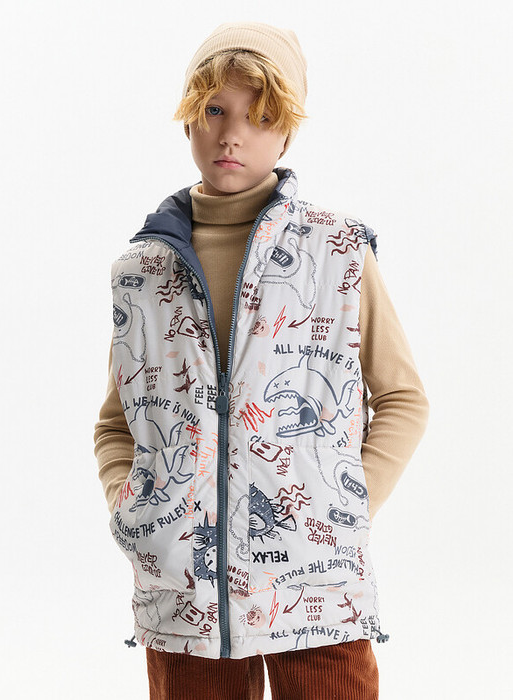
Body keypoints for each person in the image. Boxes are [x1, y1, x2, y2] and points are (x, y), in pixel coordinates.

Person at [94, 21, 429, 700]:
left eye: (260, 117)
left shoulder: (337, 252)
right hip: (182, 591)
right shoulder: (142, 270)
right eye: (215, 110)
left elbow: (401, 398)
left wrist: (344, 508)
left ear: (286, 135)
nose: (232, 135)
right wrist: (136, 511)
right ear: (189, 118)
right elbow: (117, 421)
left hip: (316, 585)